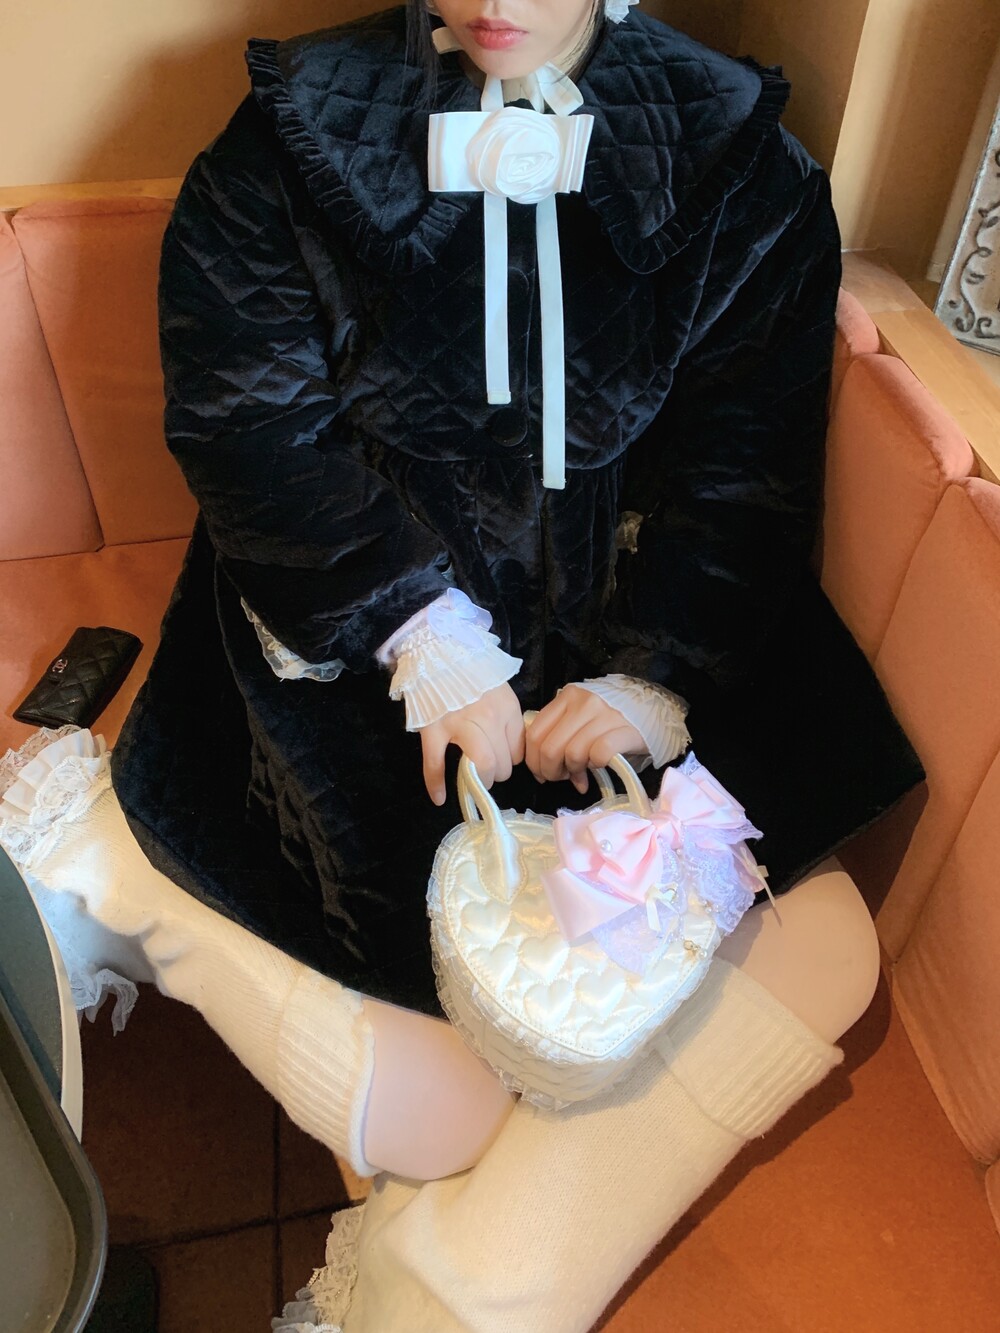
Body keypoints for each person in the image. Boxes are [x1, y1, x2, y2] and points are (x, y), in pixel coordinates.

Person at [0, 0, 924, 1327]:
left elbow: (748, 465)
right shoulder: (285, 145)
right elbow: (250, 429)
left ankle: (435, 1298)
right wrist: (416, 630)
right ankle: (103, 854)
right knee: (450, 1107)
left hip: (628, 615)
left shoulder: (744, 171)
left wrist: (656, 674)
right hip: (359, 624)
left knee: (830, 944)